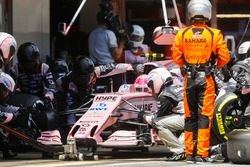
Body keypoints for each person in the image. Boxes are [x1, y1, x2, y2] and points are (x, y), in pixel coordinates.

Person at [172, 0, 230, 164]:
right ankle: (202, 154)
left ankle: (189, 153)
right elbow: (224, 58)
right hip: (206, 79)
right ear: (207, 13)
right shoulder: (214, 34)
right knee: (204, 116)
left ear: (191, 12)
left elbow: (177, 57)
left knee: (190, 116)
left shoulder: (182, 34)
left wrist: (187, 65)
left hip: (189, 79)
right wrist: (213, 66)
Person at [144, 67, 185, 161]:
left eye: (150, 85)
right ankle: (185, 148)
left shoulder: (165, 95)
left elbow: (156, 118)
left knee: (157, 123)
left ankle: (179, 151)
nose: (150, 90)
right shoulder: (178, 87)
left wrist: (144, 115)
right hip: (198, 120)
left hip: (190, 120)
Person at [56, 56, 96, 140]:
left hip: (86, 97)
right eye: (85, 76)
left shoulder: (94, 73)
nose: (89, 77)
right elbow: (69, 108)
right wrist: (72, 129)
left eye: (91, 75)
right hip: (69, 102)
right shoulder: (68, 83)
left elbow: (111, 68)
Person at [88, 6, 125, 92]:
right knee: (115, 93)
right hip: (108, 69)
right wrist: (122, 43)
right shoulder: (108, 33)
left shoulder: (92, 34)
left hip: (95, 69)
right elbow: (117, 55)